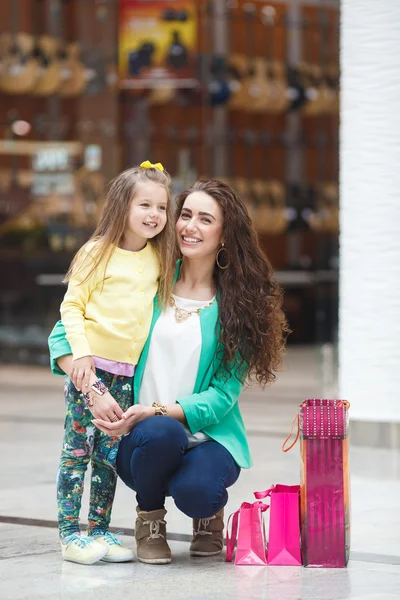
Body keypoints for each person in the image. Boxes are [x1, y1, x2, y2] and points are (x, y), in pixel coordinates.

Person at [49, 179, 288, 565]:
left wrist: (159, 408)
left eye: (205, 219)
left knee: (198, 491)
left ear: (225, 234)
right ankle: (150, 519)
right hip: (146, 436)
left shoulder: (240, 305)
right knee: (160, 433)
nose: (189, 226)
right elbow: (63, 336)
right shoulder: (152, 276)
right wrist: (93, 387)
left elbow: (221, 398)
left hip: (208, 436)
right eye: (185, 215)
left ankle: (208, 517)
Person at [52, 161, 175, 565]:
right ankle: (71, 535)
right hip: (90, 370)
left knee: (107, 456)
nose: (154, 215)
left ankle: (100, 531)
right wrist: (81, 355)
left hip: (127, 376)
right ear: (123, 205)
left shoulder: (158, 259)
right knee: (77, 452)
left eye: (161, 207)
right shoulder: (96, 252)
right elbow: (72, 306)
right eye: (144, 205)